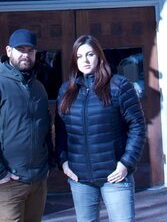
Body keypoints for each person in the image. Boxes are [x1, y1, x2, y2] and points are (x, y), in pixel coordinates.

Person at [55, 35, 147, 222]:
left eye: (90, 54)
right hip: (80, 179)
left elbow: (137, 126)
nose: (85, 60)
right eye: (79, 56)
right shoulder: (66, 91)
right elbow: (61, 131)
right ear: (74, 60)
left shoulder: (119, 86)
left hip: (114, 176)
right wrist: (63, 162)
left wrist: (126, 163)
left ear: (99, 56)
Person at [0, 28, 52, 222]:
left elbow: (45, 128)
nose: (26, 54)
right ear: (9, 51)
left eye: (30, 50)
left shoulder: (38, 88)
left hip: (37, 181)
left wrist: (46, 164)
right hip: (6, 184)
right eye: (20, 49)